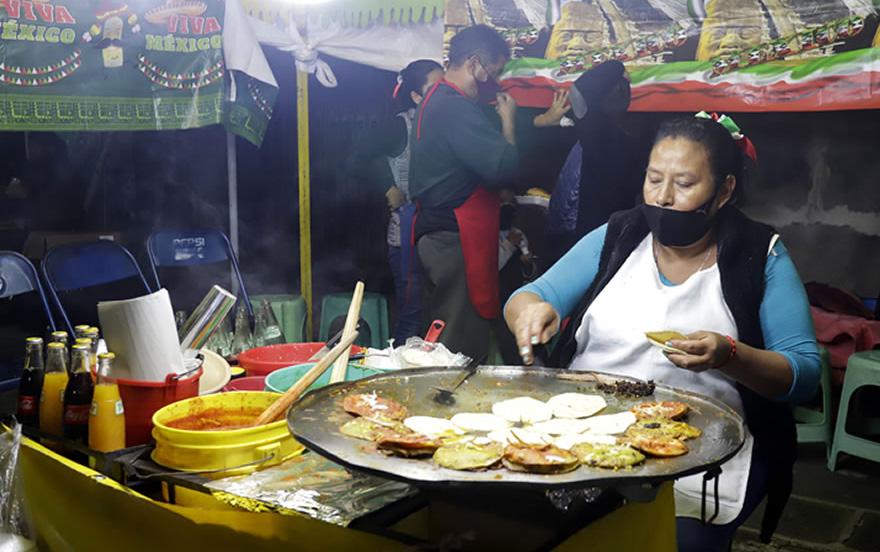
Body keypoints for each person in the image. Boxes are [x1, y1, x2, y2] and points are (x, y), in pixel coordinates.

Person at [504, 114, 820, 551]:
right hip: (583, 434)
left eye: (684, 184)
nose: (663, 197)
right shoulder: (619, 235)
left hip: (697, 454)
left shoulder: (758, 254)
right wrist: (529, 312)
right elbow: (531, 295)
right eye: (654, 180)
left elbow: (802, 374)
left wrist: (730, 356)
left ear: (724, 190)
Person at [409, 24, 520, 361]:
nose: (494, 81)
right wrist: (509, 121)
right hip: (453, 239)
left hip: (441, 234)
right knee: (458, 347)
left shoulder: (437, 99)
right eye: (493, 72)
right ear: (474, 63)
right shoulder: (454, 107)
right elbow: (503, 168)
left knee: (448, 335)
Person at [345, 60, 444, 344]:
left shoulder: (446, 123)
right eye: (435, 88)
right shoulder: (401, 126)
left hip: (439, 233)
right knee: (412, 310)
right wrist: (387, 186)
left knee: (437, 311)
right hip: (407, 231)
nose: (444, 93)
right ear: (416, 96)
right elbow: (356, 158)